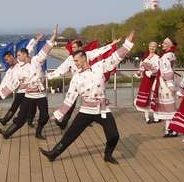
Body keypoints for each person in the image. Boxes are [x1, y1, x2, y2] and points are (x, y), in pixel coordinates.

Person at [40, 31, 134, 164]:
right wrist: (59, 113)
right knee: (70, 135)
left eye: (76, 61)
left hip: (102, 109)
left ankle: (108, 155)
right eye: (74, 61)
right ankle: (53, 154)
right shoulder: (76, 78)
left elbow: (114, 58)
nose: (75, 63)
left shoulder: (99, 67)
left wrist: (127, 44)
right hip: (86, 110)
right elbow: (69, 98)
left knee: (114, 135)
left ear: (84, 58)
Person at [0, 26, 58, 140]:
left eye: (19, 55)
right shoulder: (18, 68)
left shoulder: (36, 60)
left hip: (40, 94)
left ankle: (38, 132)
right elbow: (12, 83)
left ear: (25, 55)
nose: (17, 57)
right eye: (17, 56)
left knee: (45, 116)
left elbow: (45, 49)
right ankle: (7, 133)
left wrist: (53, 36)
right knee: (21, 118)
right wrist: (0, 92)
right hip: (28, 95)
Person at [48, 39, 118, 129]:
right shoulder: (70, 59)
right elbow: (61, 68)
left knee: (90, 102)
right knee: (71, 103)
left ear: (80, 48)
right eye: (72, 47)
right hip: (77, 84)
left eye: (74, 47)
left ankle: (89, 119)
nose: (72, 49)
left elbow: (99, 51)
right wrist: (49, 76)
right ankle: (64, 122)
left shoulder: (87, 55)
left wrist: (111, 45)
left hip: (88, 84)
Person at [154, 37, 179, 137]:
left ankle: (172, 129)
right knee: (169, 108)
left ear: (169, 45)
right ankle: (169, 129)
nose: (162, 45)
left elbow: (167, 72)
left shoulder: (166, 56)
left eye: (165, 43)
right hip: (166, 81)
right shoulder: (171, 54)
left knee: (169, 108)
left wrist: (170, 84)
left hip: (165, 83)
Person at [133, 41, 160, 123]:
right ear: (148, 47)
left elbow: (158, 68)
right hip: (145, 79)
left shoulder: (157, 57)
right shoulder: (145, 57)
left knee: (153, 97)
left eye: (154, 46)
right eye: (151, 46)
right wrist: (139, 72)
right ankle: (147, 117)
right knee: (146, 98)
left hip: (153, 79)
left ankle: (156, 117)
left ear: (156, 48)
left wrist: (151, 72)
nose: (152, 48)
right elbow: (141, 67)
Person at [0, 51, 23, 124]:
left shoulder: (21, 62)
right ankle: (5, 120)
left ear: (11, 57)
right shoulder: (10, 69)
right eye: (5, 60)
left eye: (7, 59)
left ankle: (27, 120)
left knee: (28, 106)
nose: (6, 62)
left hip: (28, 89)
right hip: (21, 90)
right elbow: (5, 81)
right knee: (15, 105)